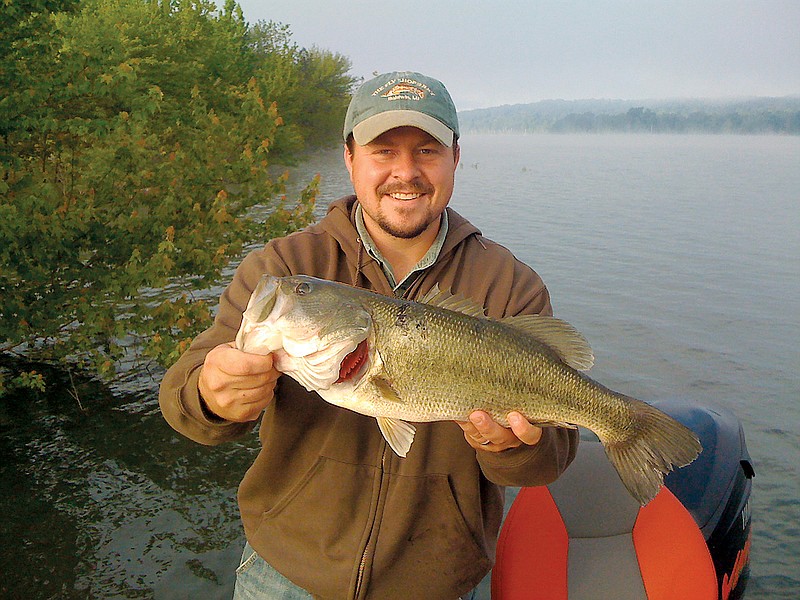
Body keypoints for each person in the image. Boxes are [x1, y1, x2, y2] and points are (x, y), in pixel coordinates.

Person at [159, 71, 578, 600]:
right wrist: (212, 397)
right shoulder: (287, 267)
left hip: (438, 583)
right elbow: (184, 401)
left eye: (427, 150)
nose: (406, 172)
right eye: (383, 151)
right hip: (285, 574)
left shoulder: (509, 285)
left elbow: (552, 459)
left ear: (455, 157)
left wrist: (511, 450)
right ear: (349, 156)